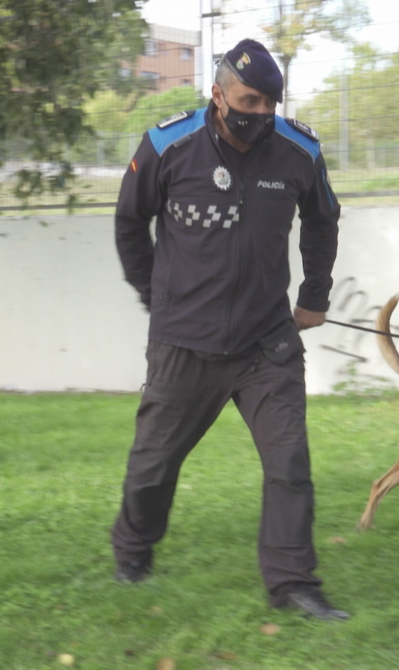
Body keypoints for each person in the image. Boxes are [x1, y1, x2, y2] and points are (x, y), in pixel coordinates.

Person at [112, 39, 346, 620]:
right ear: (218, 95)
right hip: (183, 345)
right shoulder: (168, 144)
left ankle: (293, 583)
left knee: (289, 464)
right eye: (249, 100)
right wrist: (155, 297)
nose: (261, 113)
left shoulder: (299, 150)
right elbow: (130, 220)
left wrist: (314, 297)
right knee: (153, 466)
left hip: (267, 343)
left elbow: (323, 221)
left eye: (270, 102)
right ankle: (133, 550)